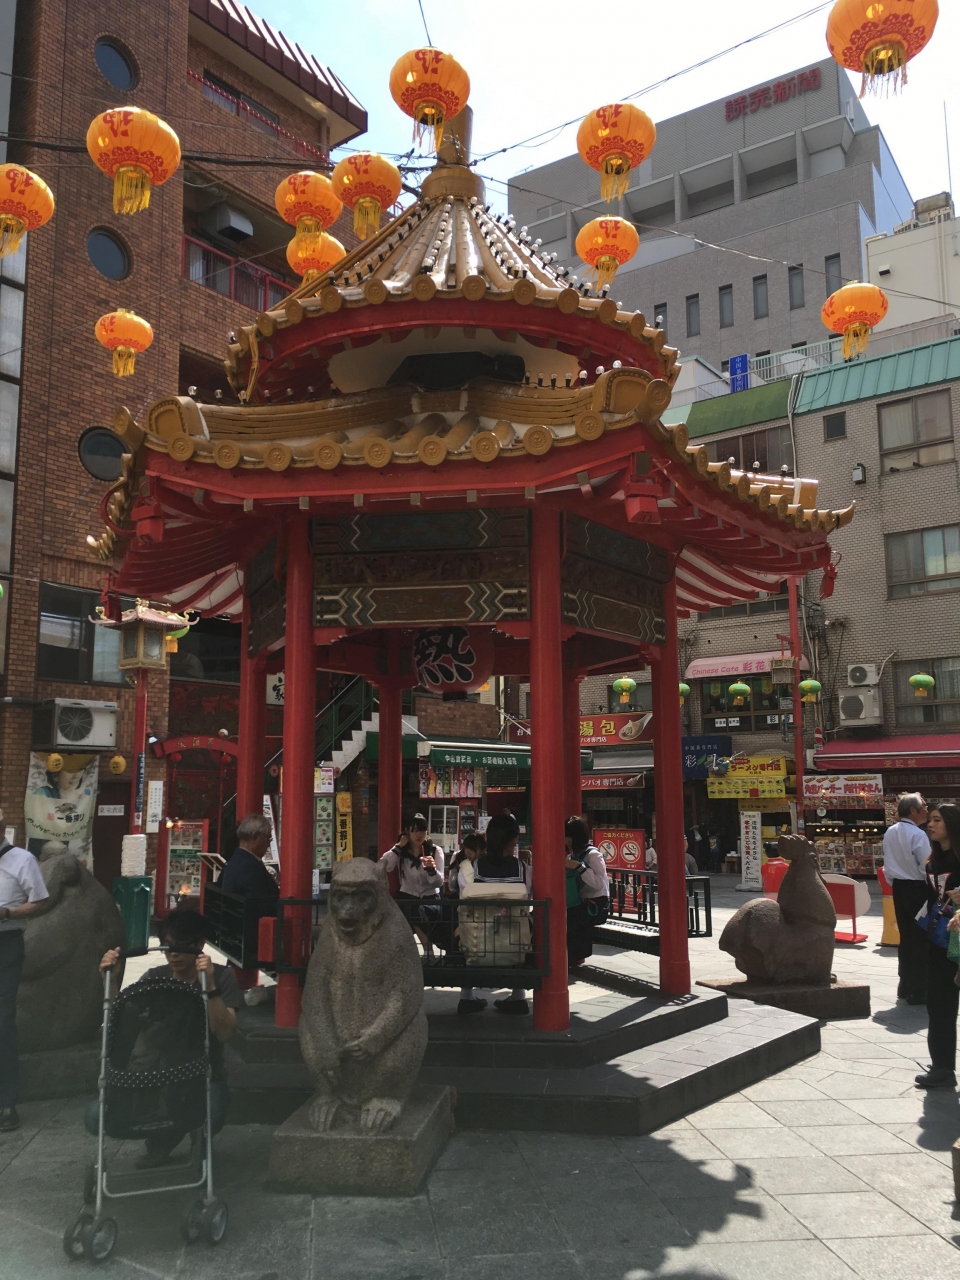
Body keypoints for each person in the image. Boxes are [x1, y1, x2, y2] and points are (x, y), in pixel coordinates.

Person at [97, 909, 240, 1167]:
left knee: (212, 1113)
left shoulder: (222, 976)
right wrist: (111, 979)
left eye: (180, 946)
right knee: (100, 1116)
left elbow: (225, 1032)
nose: (173, 954)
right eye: (167, 946)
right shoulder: (155, 978)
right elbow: (122, 1021)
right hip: (157, 1076)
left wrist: (209, 987)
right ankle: (160, 1142)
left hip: (205, 1076)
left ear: (199, 945)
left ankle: (199, 1140)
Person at [0, 814, 50, 1132]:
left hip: (6, 944)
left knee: (2, 1021)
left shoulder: (22, 859)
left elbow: (41, 902)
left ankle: (6, 1102)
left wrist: (8, 912)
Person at [456, 811, 531, 1015]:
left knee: (463, 926)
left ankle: (466, 996)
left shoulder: (469, 870)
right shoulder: (524, 870)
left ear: (487, 838)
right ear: (514, 840)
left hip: (476, 947)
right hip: (514, 950)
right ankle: (518, 996)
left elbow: (463, 901)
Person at [917, 805, 960, 1090]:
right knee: (939, 1003)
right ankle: (943, 1067)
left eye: (937, 820)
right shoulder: (932, 861)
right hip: (940, 940)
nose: (930, 825)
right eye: (929, 820)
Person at [883, 792, 931, 1004]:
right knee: (920, 938)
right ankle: (917, 990)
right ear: (913, 810)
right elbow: (926, 866)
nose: (926, 810)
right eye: (924, 806)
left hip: (899, 887)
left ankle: (905, 985)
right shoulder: (918, 835)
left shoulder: (890, 831)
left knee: (906, 938)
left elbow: (887, 865)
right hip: (918, 888)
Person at [380, 813, 445, 960]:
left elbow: (439, 882)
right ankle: (426, 950)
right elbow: (385, 865)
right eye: (414, 830)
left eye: (422, 830)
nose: (419, 834)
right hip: (408, 896)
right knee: (406, 910)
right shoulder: (402, 852)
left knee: (417, 911)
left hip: (430, 899)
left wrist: (431, 870)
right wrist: (398, 846)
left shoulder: (435, 851)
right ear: (407, 831)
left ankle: (427, 951)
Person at [564, 817, 610, 968]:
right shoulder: (571, 856)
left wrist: (580, 868)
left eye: (569, 836)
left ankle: (573, 956)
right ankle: (571, 955)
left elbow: (599, 884)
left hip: (596, 904)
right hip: (580, 903)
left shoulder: (593, 855)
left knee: (572, 918)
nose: (566, 841)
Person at [219, 813, 279, 904]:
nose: (268, 845)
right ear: (255, 837)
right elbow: (264, 902)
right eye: (268, 838)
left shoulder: (235, 861)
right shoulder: (252, 870)